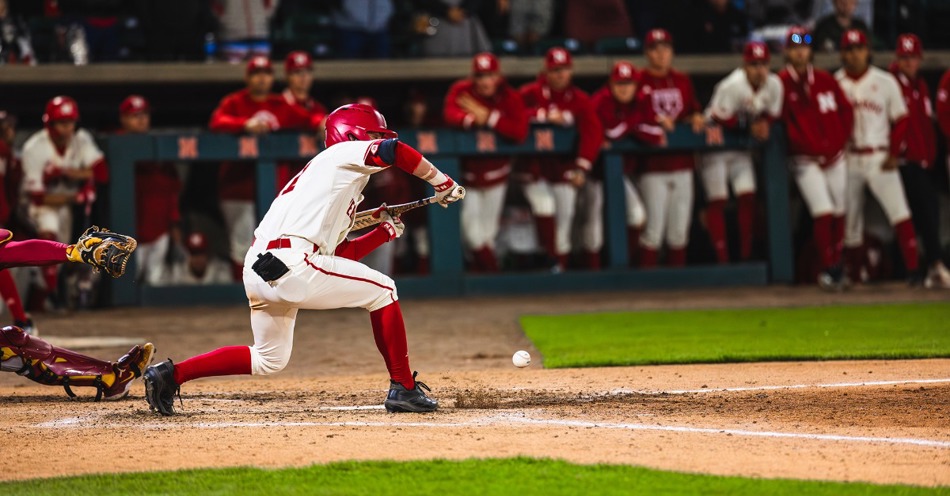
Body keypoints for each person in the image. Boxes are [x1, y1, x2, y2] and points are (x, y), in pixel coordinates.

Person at [141, 103, 465, 416]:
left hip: (262, 267)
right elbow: (396, 151)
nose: (378, 140)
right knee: (384, 290)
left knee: (269, 358)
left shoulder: (333, 184)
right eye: (373, 135)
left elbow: (338, 257)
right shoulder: (340, 153)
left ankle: (171, 374)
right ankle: (404, 387)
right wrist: (442, 182)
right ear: (351, 135)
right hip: (291, 262)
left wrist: (383, 233)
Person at [210, 56, 310, 281]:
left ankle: (272, 292)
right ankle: (242, 292)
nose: (262, 78)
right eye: (256, 74)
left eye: (266, 73)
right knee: (241, 246)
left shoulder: (279, 104)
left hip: (273, 189)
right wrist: (244, 124)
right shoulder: (235, 102)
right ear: (248, 78)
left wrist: (321, 121)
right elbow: (217, 122)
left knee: (276, 246)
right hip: (237, 187)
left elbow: (309, 118)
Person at [835, 29, 922, 286]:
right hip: (850, 157)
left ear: (868, 51)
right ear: (842, 54)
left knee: (900, 213)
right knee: (850, 222)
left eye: (859, 48)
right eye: (849, 50)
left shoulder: (885, 81)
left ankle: (914, 271)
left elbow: (902, 119)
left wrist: (894, 153)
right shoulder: (835, 82)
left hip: (880, 156)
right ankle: (854, 276)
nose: (855, 54)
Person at [778, 26, 854, 290]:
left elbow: (846, 111)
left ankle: (837, 265)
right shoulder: (780, 83)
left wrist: (838, 142)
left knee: (840, 211)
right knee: (823, 211)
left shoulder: (825, 79)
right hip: (805, 159)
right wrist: (804, 145)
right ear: (787, 51)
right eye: (795, 47)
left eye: (804, 46)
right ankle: (828, 268)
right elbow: (780, 122)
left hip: (835, 155)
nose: (800, 52)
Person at [518, 47, 603, 271]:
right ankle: (551, 262)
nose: (560, 74)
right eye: (555, 70)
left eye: (564, 69)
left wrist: (582, 167)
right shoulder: (530, 93)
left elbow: (593, 133)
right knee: (544, 207)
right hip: (534, 168)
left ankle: (560, 271)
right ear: (546, 71)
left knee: (565, 221)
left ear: (571, 71)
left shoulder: (579, 99)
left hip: (564, 168)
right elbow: (513, 114)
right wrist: (542, 115)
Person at [443, 52, 528, 272]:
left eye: (490, 75)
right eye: (480, 76)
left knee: (488, 234)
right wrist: (472, 119)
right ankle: (494, 272)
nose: (485, 82)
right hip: (469, 176)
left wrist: (490, 117)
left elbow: (519, 131)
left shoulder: (509, 96)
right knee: (471, 233)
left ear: (498, 76)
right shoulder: (462, 90)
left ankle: (483, 280)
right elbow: (450, 113)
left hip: (497, 174)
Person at [700, 41, 783, 264]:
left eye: (763, 64)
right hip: (715, 146)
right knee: (718, 200)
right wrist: (750, 127)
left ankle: (746, 256)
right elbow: (719, 117)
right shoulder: (732, 85)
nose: (759, 70)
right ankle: (722, 261)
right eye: (754, 64)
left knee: (748, 196)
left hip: (739, 147)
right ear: (745, 66)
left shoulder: (774, 84)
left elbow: (773, 113)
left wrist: (765, 123)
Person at [21, 96, 109, 305]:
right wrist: (75, 196)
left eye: (71, 122)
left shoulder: (81, 139)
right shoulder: (34, 148)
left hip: (66, 206)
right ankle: (48, 299)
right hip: (38, 207)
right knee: (50, 236)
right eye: (62, 123)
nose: (68, 128)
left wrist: (68, 173)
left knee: (65, 254)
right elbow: (38, 198)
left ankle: (55, 299)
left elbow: (102, 173)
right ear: (50, 124)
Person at [636, 29, 704, 267]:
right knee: (653, 231)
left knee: (679, 232)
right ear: (646, 53)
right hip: (652, 165)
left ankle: (679, 285)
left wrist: (696, 116)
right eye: (655, 49)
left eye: (665, 48)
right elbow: (631, 115)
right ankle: (645, 283)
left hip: (683, 163)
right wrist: (654, 118)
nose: (661, 54)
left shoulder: (682, 80)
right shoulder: (638, 80)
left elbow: (693, 109)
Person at [590, 61, 666, 267]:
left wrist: (629, 126)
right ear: (611, 84)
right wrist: (636, 123)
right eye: (619, 83)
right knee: (591, 231)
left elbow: (657, 135)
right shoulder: (600, 101)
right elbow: (611, 132)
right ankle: (591, 275)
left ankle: (628, 268)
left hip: (618, 174)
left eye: (629, 83)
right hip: (592, 174)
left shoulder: (642, 99)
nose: (624, 89)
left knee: (637, 216)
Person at [890, 34, 950, 289]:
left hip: (924, 160)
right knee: (920, 214)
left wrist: (930, 155)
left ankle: (921, 269)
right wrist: (897, 151)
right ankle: (932, 265)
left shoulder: (921, 85)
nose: (909, 62)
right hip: (904, 161)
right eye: (904, 57)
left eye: (913, 57)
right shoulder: (891, 83)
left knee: (924, 215)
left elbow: (927, 123)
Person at [119, 95, 183, 286]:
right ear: (123, 119)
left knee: (156, 283)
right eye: (135, 115)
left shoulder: (159, 147)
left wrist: (174, 223)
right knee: (127, 283)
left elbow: (172, 191)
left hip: (159, 230)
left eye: (144, 115)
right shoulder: (116, 145)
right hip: (128, 231)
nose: (141, 120)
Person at [277, 50, 328, 190]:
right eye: (297, 72)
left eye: (307, 71)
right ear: (287, 76)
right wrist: (317, 121)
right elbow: (292, 115)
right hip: (279, 180)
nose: (303, 77)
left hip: (309, 183)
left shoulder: (318, 108)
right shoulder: (276, 104)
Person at [164, 231, 232, 285]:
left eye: (201, 253)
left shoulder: (220, 271)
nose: (198, 259)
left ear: (208, 254)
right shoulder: (178, 273)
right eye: (194, 254)